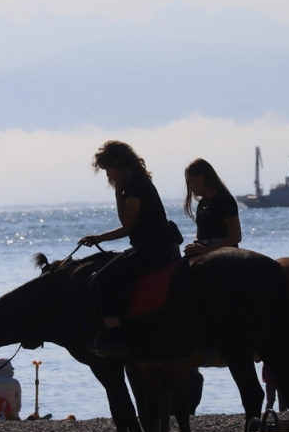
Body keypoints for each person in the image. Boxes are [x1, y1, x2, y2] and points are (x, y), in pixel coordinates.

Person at [79, 140, 180, 357]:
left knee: (99, 282)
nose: (108, 176)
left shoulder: (135, 186)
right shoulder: (138, 182)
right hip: (154, 247)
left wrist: (99, 237)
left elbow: (128, 224)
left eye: (108, 170)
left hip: (151, 250)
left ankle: (115, 336)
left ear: (117, 164)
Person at [182, 158, 241, 257]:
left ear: (201, 178)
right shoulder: (202, 204)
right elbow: (200, 235)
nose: (190, 187)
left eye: (191, 182)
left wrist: (205, 249)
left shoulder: (224, 199)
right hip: (205, 250)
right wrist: (195, 245)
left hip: (224, 254)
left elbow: (236, 237)